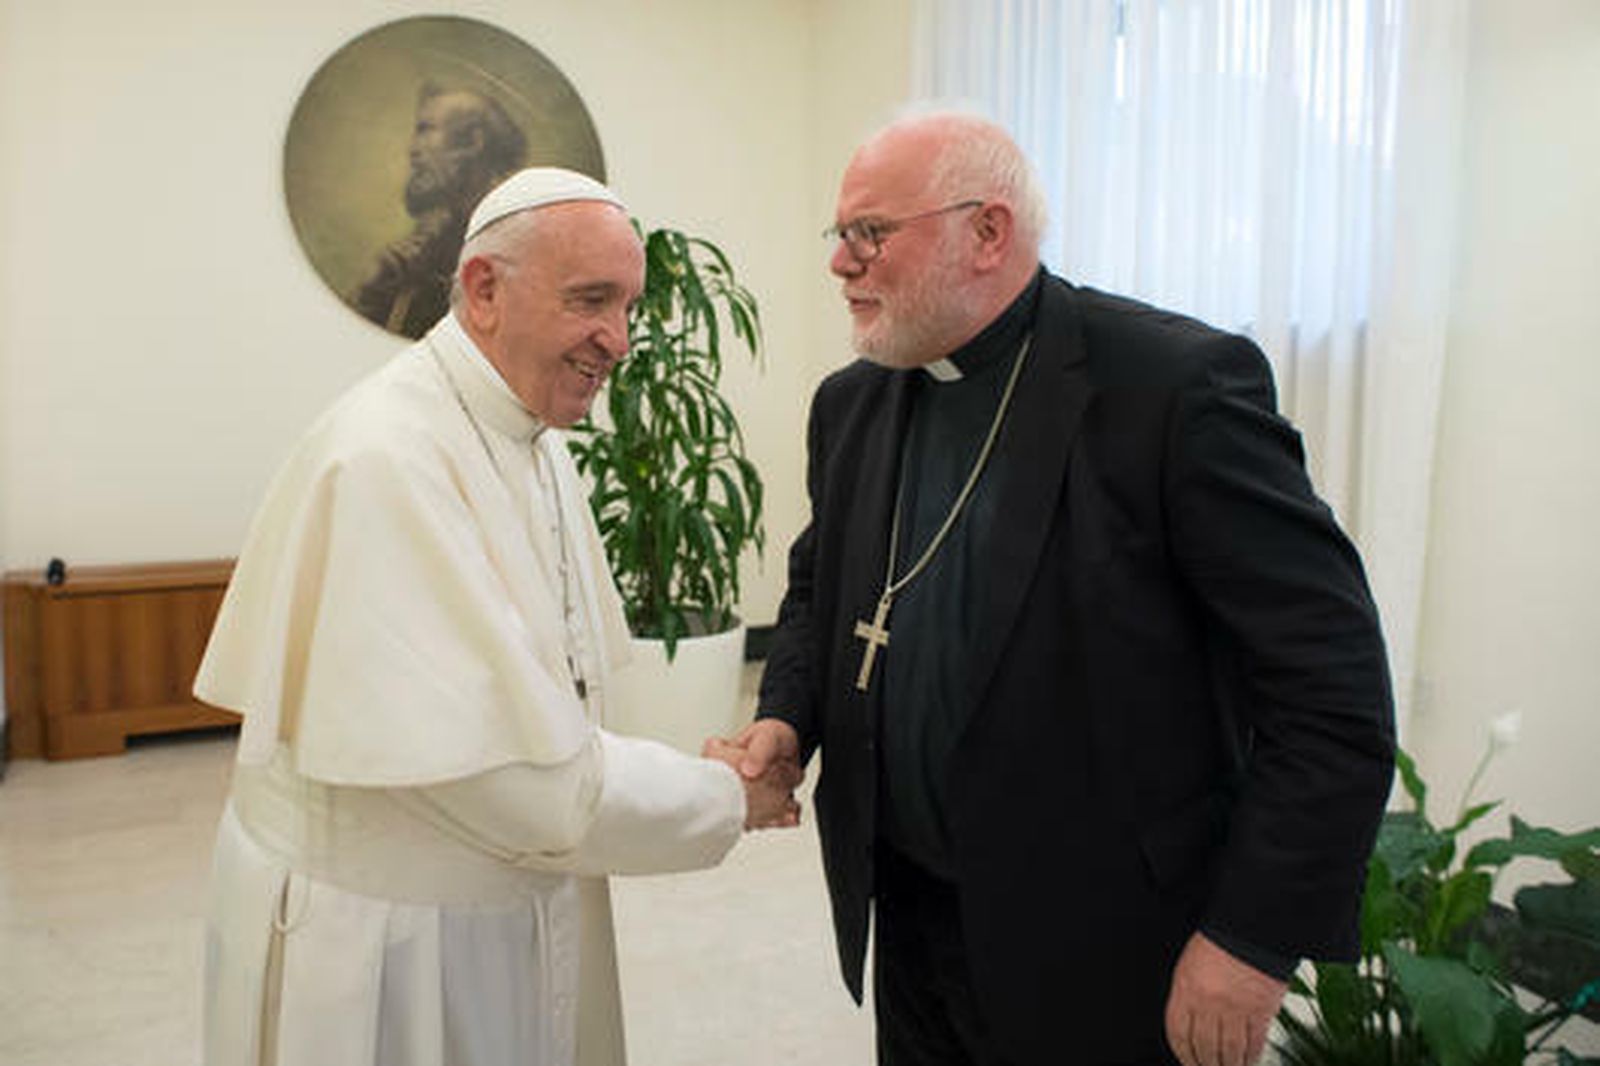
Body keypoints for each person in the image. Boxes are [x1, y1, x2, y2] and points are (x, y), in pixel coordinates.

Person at [724, 111, 1396, 1066]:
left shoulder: (1173, 390)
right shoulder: (856, 400)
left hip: (1104, 935)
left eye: (870, 233)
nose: (842, 262)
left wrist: (1251, 938)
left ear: (988, 233)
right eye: (840, 235)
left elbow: (1331, 687)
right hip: (909, 906)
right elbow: (820, 587)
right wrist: (787, 716)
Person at [197, 167, 799, 1066]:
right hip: (393, 944)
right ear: (484, 289)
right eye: (592, 300)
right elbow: (505, 779)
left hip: (495, 903)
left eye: (629, 306)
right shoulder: (386, 461)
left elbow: (545, 696)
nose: (621, 341)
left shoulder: (526, 429)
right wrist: (723, 794)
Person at [353, 83, 528, 338]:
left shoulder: (518, 239)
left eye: (426, 131)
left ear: (472, 142)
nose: (412, 150)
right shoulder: (427, 246)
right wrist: (376, 292)